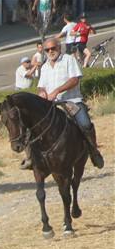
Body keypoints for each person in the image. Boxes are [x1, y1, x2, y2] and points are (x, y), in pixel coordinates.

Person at [37, 36, 103, 169]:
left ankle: (93, 151)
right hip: (51, 104)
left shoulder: (69, 60)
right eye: (47, 50)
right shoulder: (44, 67)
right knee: (33, 125)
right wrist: (41, 92)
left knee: (85, 124)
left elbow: (74, 80)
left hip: (71, 101)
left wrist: (57, 91)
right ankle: (34, 158)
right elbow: (41, 85)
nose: (50, 51)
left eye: (53, 48)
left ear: (59, 47)